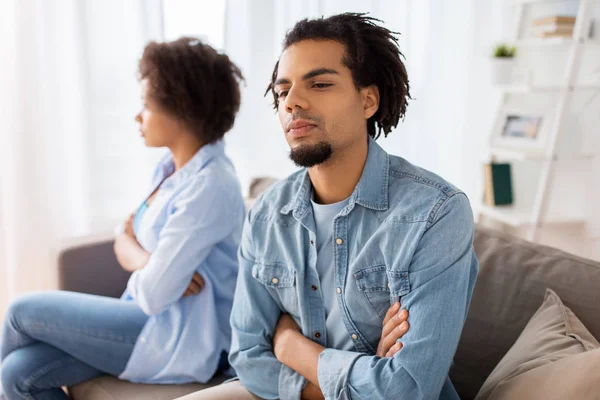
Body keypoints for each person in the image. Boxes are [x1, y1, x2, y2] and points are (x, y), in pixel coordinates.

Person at [179, 12, 479, 400]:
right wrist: (338, 382)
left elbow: (406, 387)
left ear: (368, 100)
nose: (293, 102)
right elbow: (249, 355)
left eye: (319, 84)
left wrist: (291, 347)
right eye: (282, 90)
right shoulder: (267, 214)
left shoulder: (435, 213)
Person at [0, 37, 245, 400]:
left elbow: (153, 295)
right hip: (149, 318)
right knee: (19, 372)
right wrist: (146, 258)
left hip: (182, 335)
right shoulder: (171, 170)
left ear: (181, 109)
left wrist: (141, 257)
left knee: (20, 311)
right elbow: (125, 234)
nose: (137, 116)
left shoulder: (212, 186)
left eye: (146, 105)